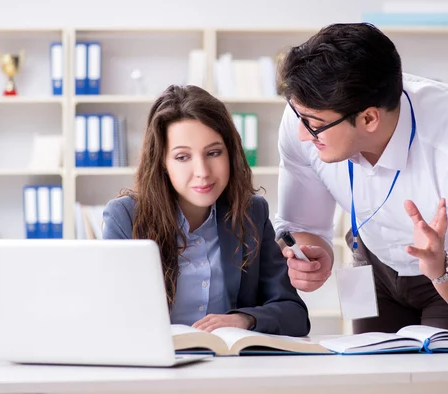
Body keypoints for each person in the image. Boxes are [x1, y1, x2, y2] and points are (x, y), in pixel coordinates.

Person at [274, 22, 448, 334]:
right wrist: (312, 255)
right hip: (373, 265)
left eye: (313, 124)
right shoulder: (307, 113)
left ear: (369, 118)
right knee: (378, 377)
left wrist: (443, 270)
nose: (302, 134)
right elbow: (304, 228)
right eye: (299, 117)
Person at [102, 84, 310, 336]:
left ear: (230, 153)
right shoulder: (125, 217)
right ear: (163, 163)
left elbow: (294, 314)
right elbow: (113, 317)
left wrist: (245, 319)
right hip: (157, 367)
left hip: (230, 366)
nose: (202, 171)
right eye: (182, 157)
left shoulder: (251, 213)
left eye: (213, 153)